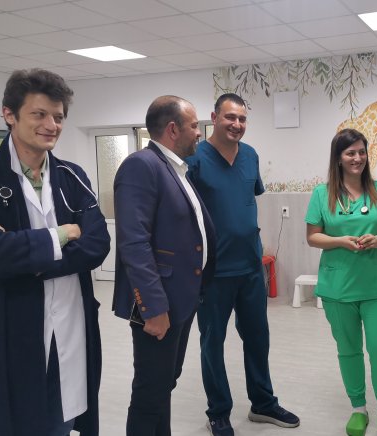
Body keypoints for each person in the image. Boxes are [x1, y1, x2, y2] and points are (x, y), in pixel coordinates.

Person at [0, 68, 110, 436]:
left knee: (62, 416)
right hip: (8, 324)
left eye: (58, 117)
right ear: (9, 114)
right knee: (15, 418)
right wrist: (63, 234)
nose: (51, 125)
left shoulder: (73, 176)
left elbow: (98, 245)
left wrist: (27, 255)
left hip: (70, 317)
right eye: (39, 114)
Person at [186, 93, 299, 436]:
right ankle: (218, 411)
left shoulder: (250, 155)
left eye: (242, 119)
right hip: (213, 271)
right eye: (230, 117)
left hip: (250, 266)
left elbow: (248, 199)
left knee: (258, 338)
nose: (237, 124)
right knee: (212, 343)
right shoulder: (195, 159)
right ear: (214, 118)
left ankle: (262, 403)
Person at [112, 95, 216, 436]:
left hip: (181, 299)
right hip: (159, 305)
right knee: (149, 393)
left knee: (163, 386)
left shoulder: (175, 168)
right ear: (173, 129)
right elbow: (134, 243)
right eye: (194, 126)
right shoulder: (141, 166)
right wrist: (153, 308)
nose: (198, 133)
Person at [305, 128, 377, 436]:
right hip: (338, 288)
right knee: (349, 350)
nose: (357, 158)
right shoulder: (321, 194)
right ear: (338, 158)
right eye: (350, 152)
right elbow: (313, 236)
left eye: (362, 152)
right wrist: (340, 241)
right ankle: (358, 409)